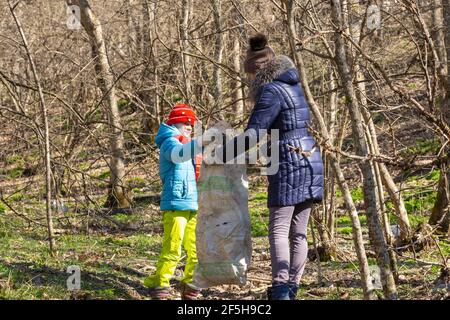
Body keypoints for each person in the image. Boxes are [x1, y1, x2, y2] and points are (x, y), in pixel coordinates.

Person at [220, 33, 324, 300]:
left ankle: (280, 290)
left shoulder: (270, 90)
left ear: (258, 71)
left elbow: (254, 133)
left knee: (278, 228)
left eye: (250, 76)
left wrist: (221, 154)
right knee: (298, 231)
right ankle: (291, 286)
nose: (249, 81)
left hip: (288, 159)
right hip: (310, 156)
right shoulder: (293, 85)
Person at [144, 103, 203, 300]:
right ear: (175, 123)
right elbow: (179, 155)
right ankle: (160, 283)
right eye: (185, 122)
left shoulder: (189, 145)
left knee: (195, 249)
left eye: (191, 123)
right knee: (173, 246)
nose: (189, 126)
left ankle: (190, 283)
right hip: (176, 204)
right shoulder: (170, 143)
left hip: (193, 204)